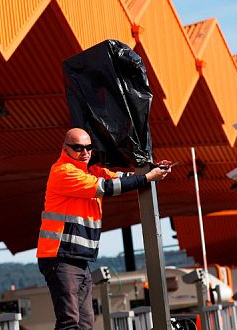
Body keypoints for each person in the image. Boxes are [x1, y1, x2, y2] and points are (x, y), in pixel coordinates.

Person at [36, 128, 172, 330]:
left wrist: (150, 170)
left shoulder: (89, 170)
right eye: (78, 148)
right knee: (69, 321)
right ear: (65, 148)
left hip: (78, 258)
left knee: (85, 322)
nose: (85, 152)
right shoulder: (64, 172)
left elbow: (118, 178)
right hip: (60, 257)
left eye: (89, 147)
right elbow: (106, 188)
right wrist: (147, 178)